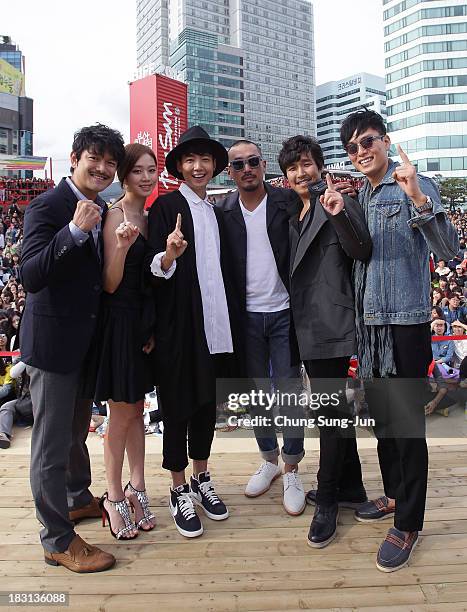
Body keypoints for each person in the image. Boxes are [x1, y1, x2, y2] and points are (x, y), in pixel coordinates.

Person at [340, 108, 459, 572]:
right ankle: (393, 495)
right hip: (370, 325)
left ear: (385, 141)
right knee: (382, 420)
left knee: (407, 427)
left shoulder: (412, 182)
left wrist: (418, 198)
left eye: (368, 141)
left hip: (405, 322)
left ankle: (409, 522)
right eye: (352, 147)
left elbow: (449, 250)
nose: (362, 152)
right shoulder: (364, 194)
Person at [20, 124, 125, 573]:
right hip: (53, 346)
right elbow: (30, 276)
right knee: (49, 444)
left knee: (77, 428)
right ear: (74, 157)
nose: (102, 168)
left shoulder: (105, 207)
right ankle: (57, 540)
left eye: (109, 163)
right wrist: (72, 233)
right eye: (94, 159)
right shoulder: (49, 206)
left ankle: (77, 497)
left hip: (85, 343)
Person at [146, 126, 240, 538]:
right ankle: (177, 487)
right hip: (180, 327)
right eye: (189, 160)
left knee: (206, 406)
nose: (198, 166)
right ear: (180, 167)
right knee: (177, 407)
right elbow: (153, 269)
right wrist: (168, 254)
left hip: (217, 323)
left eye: (204, 160)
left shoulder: (217, 212)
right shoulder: (166, 207)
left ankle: (202, 477)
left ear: (215, 166)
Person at [278, 135, 371, 548]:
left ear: (320, 165)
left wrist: (338, 211)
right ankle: (351, 486)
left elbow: (361, 248)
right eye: (294, 167)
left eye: (308, 163)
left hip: (332, 325)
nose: (302, 172)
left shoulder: (335, 202)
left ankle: (329, 498)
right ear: (286, 177)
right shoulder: (292, 215)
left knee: (329, 416)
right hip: (305, 328)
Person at [219, 139, 306, 515]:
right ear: (230, 172)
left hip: (285, 310)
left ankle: (292, 468)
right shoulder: (221, 209)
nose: (247, 168)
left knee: (289, 394)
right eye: (238, 164)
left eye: (253, 161)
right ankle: (269, 460)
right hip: (246, 317)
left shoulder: (284, 201)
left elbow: (314, 199)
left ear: (264, 164)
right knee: (255, 395)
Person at [94, 143, 157, 540]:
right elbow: (110, 283)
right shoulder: (114, 213)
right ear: (125, 176)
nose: (147, 177)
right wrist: (121, 245)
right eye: (138, 171)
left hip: (142, 325)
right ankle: (114, 496)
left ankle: (139, 486)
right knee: (119, 416)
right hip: (117, 324)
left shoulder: (149, 215)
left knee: (136, 410)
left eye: (152, 170)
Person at [0, 359, 32, 449]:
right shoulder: (18, 364)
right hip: (22, 399)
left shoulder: (9, 368)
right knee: (6, 407)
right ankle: (3, 434)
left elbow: (6, 389)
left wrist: (25, 360)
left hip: (37, 398)